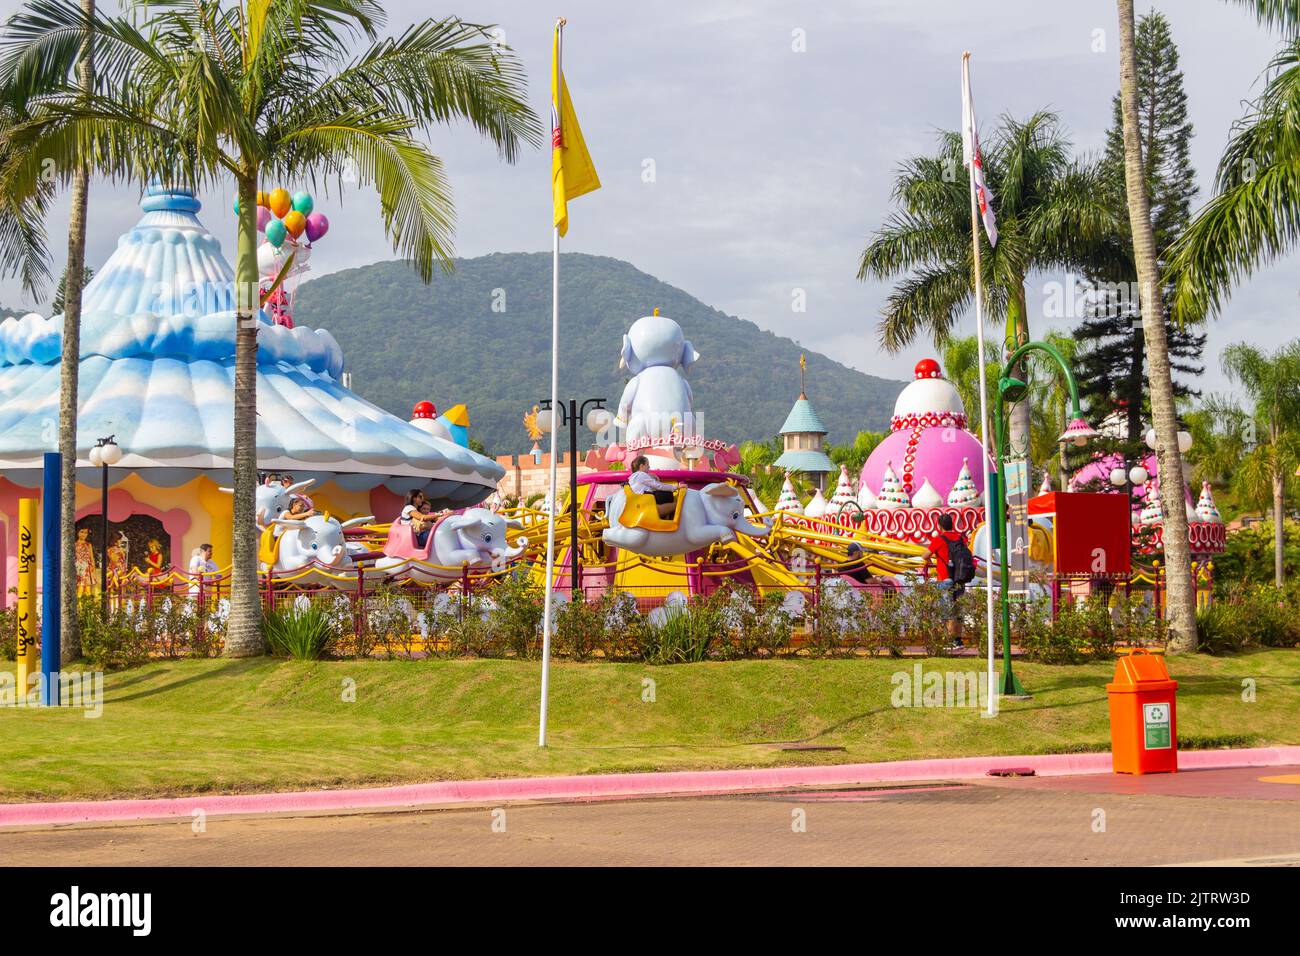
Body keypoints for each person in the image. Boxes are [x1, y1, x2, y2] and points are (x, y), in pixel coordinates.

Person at [921, 513, 971, 647]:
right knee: (958, 610)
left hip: (945, 578)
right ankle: (959, 641)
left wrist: (930, 560)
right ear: (952, 524)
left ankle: (950, 641)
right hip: (960, 578)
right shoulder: (960, 538)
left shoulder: (939, 539)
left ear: (939, 526)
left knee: (948, 612)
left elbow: (924, 555)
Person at [627, 455, 679, 520]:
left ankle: (666, 516)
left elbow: (651, 487)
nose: (649, 467)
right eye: (647, 464)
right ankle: (669, 516)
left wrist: (652, 476)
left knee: (662, 495)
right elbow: (658, 486)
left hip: (637, 503)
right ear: (641, 466)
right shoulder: (641, 475)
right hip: (645, 503)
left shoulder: (631, 478)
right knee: (675, 501)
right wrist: (675, 487)